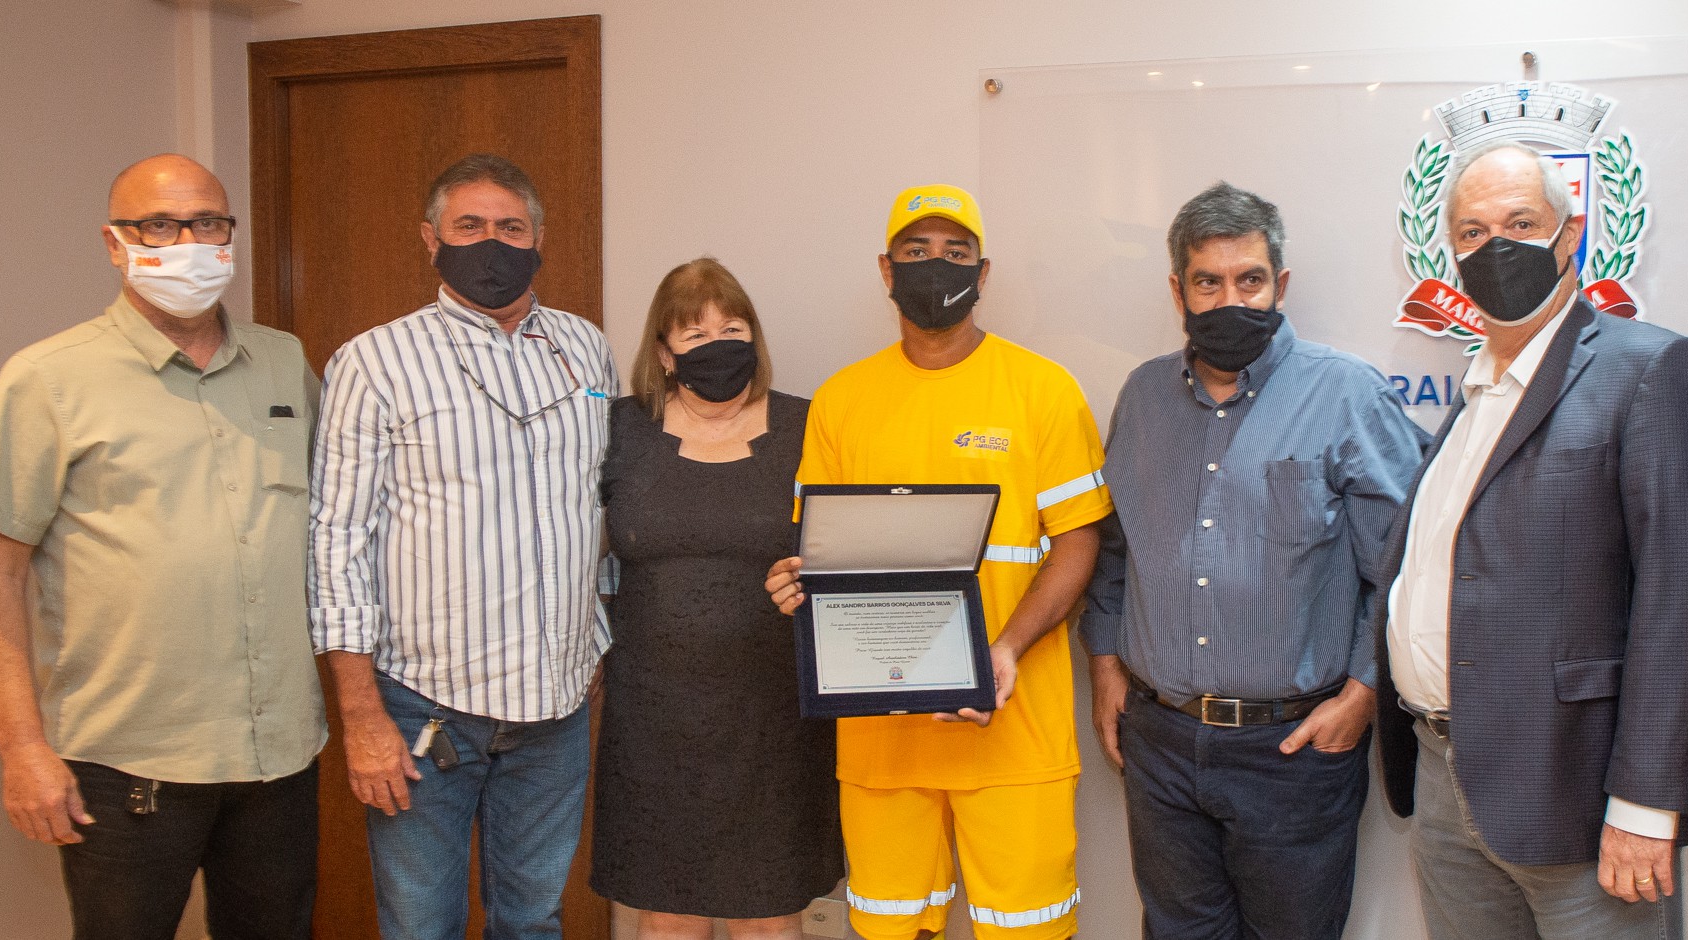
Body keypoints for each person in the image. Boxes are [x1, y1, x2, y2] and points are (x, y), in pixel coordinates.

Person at [0, 153, 323, 940]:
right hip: (127, 767)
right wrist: (23, 751)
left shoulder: (283, 363)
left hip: (278, 757)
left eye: (207, 223)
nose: (188, 243)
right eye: (159, 225)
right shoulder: (48, 378)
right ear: (115, 243)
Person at [1373, 140, 1688, 940]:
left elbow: (1682, 602)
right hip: (1442, 780)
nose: (1494, 247)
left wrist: (1644, 803)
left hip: (1574, 796)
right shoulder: (1475, 390)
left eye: (1520, 223)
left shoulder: (1647, 369)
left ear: (1569, 236)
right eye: (1471, 233)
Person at [764, 184, 1111, 940]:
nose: (935, 265)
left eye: (955, 252)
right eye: (916, 251)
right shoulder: (842, 400)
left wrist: (1004, 651)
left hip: (1011, 731)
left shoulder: (1043, 391)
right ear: (885, 269)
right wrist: (797, 584)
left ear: (982, 274)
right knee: (891, 929)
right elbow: (822, 555)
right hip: (881, 742)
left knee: (1026, 930)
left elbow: (1079, 541)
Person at [1080, 181, 1425, 939]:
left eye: (1250, 280)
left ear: (1281, 285)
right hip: (1161, 745)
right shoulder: (1142, 396)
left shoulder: (1346, 394)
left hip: (1292, 753)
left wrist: (1364, 693)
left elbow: (1406, 569)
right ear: (1178, 289)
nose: (1230, 300)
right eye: (1208, 282)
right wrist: (1105, 665)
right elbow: (1114, 550)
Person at [308, 153, 616, 940]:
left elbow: (602, 502)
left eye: (510, 227)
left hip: (555, 710)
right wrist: (361, 715)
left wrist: (597, 639)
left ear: (539, 237)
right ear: (430, 239)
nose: (491, 243)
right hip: (424, 708)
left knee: (533, 920)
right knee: (422, 927)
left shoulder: (585, 349)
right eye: (469, 225)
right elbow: (336, 540)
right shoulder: (373, 362)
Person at [590, 257, 840, 939]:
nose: (717, 346)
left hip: (776, 713)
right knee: (665, 914)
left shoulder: (807, 426)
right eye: (695, 335)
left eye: (732, 329)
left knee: (769, 913)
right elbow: (571, 546)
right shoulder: (621, 430)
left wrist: (816, 582)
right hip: (652, 715)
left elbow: (850, 551)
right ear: (664, 353)